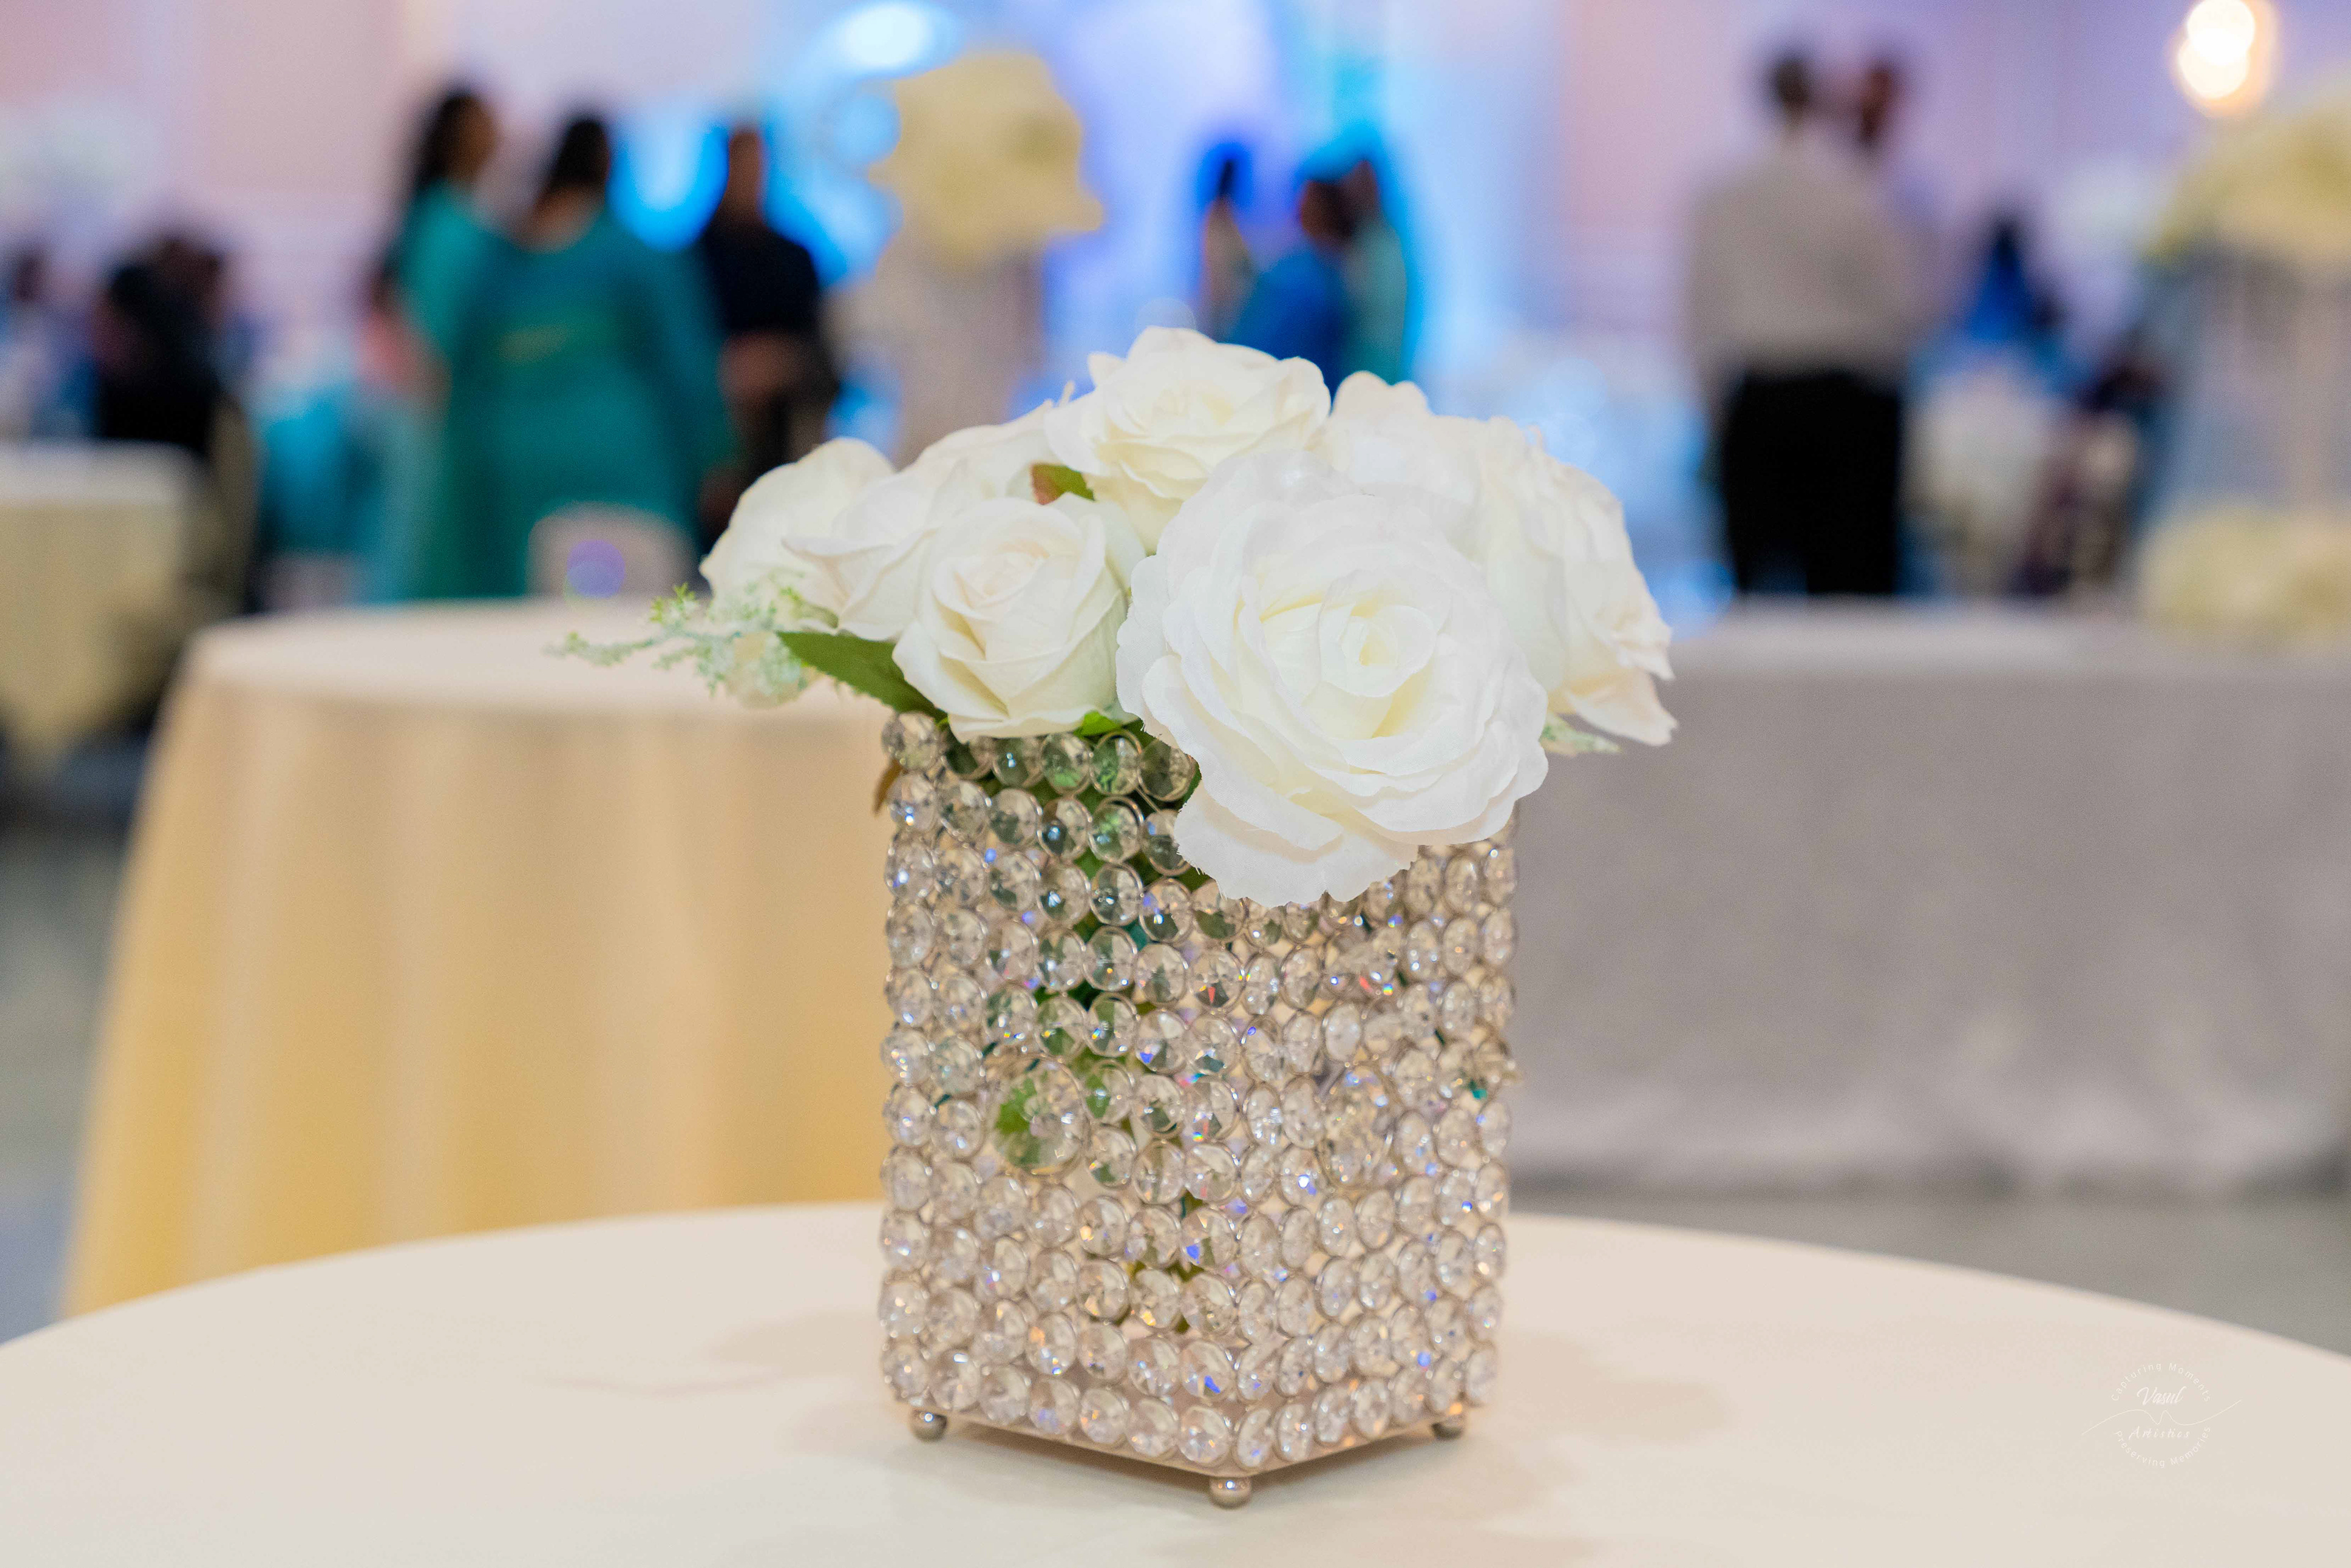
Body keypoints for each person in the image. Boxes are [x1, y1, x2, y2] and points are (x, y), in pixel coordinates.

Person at [438, 114, 730, 598]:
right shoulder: (633, 256)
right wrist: (716, 455)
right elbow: (687, 366)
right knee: (636, 627)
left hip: (516, 473)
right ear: (607, 163)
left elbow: (463, 383)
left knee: (526, 630)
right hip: (623, 470)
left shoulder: (496, 267)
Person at [1689, 51, 1922, 595]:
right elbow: (1903, 304)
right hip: (1848, 405)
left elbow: (1699, 308)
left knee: (1756, 594)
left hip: (1759, 399)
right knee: (1850, 597)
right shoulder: (1859, 187)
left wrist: (1712, 406)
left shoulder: (1723, 192)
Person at [694, 122, 834, 543]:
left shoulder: (794, 259)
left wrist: (780, 362)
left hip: (785, 436)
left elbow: (826, 357)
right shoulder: (693, 261)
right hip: (712, 441)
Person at [1229, 177, 1353, 386]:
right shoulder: (1326, 271)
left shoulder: (1304, 277)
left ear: (1326, 211)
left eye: (1308, 202)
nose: (1299, 207)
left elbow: (1258, 337)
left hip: (1285, 381)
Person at [1339, 157, 1412, 384]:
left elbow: (1376, 300)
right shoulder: (1366, 239)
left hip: (1380, 348)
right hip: (1362, 350)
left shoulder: (1383, 242)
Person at [1195, 148, 1256, 341]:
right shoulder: (1219, 216)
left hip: (1226, 304)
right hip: (1224, 305)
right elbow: (1220, 269)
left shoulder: (1223, 214)